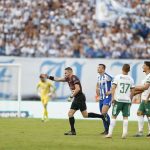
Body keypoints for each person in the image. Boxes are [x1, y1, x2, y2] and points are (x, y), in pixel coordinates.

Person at [41, 67, 106, 135]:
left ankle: (73, 131)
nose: (64, 74)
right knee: (85, 115)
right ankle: (102, 117)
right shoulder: (68, 78)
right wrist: (48, 77)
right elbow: (58, 79)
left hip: (79, 97)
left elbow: (77, 89)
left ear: (70, 72)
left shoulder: (74, 77)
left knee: (70, 114)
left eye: (65, 73)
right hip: (79, 97)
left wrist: (71, 96)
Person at [105, 64, 135, 139]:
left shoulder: (117, 77)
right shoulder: (131, 79)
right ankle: (124, 133)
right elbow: (133, 91)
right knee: (125, 117)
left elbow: (113, 88)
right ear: (129, 70)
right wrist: (130, 100)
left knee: (114, 116)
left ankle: (110, 134)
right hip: (127, 101)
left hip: (118, 100)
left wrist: (112, 98)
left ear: (122, 68)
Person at [133, 61, 150, 137]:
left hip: (148, 100)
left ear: (148, 67)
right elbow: (143, 89)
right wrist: (134, 93)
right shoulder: (146, 77)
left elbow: (146, 87)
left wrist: (133, 87)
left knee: (149, 116)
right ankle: (140, 132)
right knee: (139, 113)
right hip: (143, 100)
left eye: (144, 65)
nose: (142, 67)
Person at [96, 64, 113, 135]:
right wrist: (97, 91)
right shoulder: (98, 77)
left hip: (107, 97)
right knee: (103, 114)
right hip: (101, 98)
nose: (98, 68)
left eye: (99, 67)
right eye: (98, 67)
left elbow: (117, 83)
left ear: (103, 69)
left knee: (103, 113)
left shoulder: (107, 76)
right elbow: (97, 85)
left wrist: (110, 91)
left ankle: (109, 129)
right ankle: (106, 129)